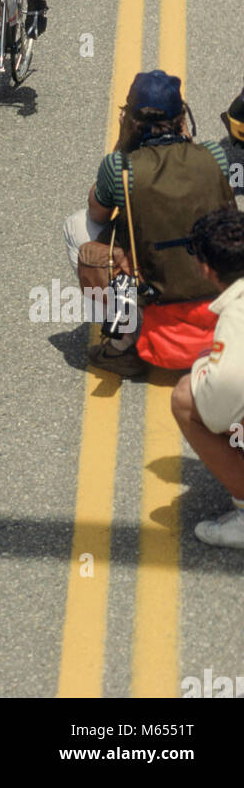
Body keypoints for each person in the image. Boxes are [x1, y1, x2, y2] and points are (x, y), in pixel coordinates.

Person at [64, 71, 234, 377]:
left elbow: (96, 213)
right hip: (219, 300)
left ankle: (121, 346)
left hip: (159, 308)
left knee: (78, 227)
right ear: (182, 117)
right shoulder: (214, 155)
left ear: (129, 119)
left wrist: (124, 144)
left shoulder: (120, 168)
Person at [171, 208, 244, 548]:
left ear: (206, 268)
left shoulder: (236, 317)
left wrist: (202, 368)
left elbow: (216, 413)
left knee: (187, 397)